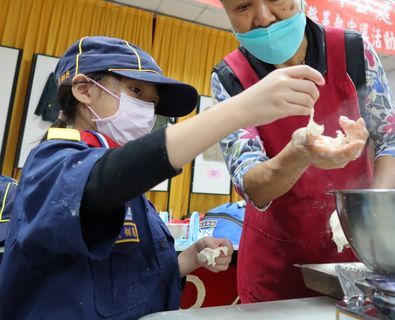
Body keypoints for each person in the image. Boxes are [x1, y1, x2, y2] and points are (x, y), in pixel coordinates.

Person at [0, 36, 325, 319]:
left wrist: (193, 256)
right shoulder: (52, 164)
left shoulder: (129, 191)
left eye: (152, 102)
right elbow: (102, 182)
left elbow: (136, 279)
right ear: (84, 89)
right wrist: (237, 111)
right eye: (136, 91)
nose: (146, 110)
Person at [195, 0, 395, 303]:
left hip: (358, 254)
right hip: (276, 266)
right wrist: (299, 154)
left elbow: (392, 136)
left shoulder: (355, 54)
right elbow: (252, 184)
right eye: (242, 6)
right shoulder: (232, 79)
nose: (263, 17)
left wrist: (373, 203)